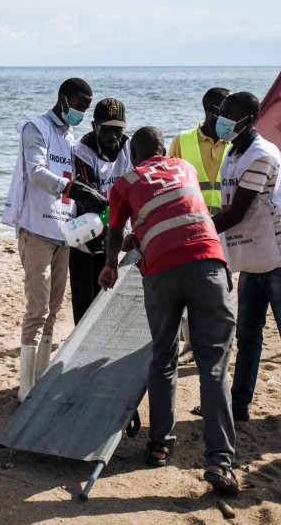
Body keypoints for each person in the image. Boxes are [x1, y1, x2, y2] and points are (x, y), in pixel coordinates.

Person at [99, 126, 239, 494]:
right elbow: (175, 207)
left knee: (163, 356)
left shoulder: (125, 181)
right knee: (214, 363)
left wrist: (111, 263)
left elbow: (115, 230)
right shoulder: (186, 168)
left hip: (162, 270)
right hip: (208, 262)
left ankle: (160, 445)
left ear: (133, 154)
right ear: (163, 149)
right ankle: (220, 461)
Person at [213, 91, 281, 446]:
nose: (220, 118)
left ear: (248, 120)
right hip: (255, 259)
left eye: (228, 114)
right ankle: (239, 406)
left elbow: (236, 213)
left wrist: (194, 229)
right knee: (247, 337)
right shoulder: (235, 149)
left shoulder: (261, 155)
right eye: (220, 112)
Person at [2, 78, 103, 402]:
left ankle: (41, 378)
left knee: (55, 308)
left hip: (63, 234)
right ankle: (25, 388)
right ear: (63, 100)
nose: (81, 113)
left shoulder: (70, 136)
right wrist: (71, 188)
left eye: (86, 109)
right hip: (35, 231)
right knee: (38, 308)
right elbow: (35, 172)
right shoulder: (37, 128)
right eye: (78, 106)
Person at [169, 87, 232, 365]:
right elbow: (168, 181)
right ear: (213, 111)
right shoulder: (182, 141)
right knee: (189, 286)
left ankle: (215, 344)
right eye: (227, 110)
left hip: (229, 226)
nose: (233, 118)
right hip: (190, 226)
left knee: (222, 288)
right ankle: (192, 345)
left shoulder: (237, 142)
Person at [69, 97, 131, 324]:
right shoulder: (82, 149)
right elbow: (90, 198)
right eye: (105, 130)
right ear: (94, 126)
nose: (112, 137)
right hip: (87, 229)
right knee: (85, 298)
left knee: (106, 297)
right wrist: (115, 235)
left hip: (114, 230)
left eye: (117, 130)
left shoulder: (130, 147)